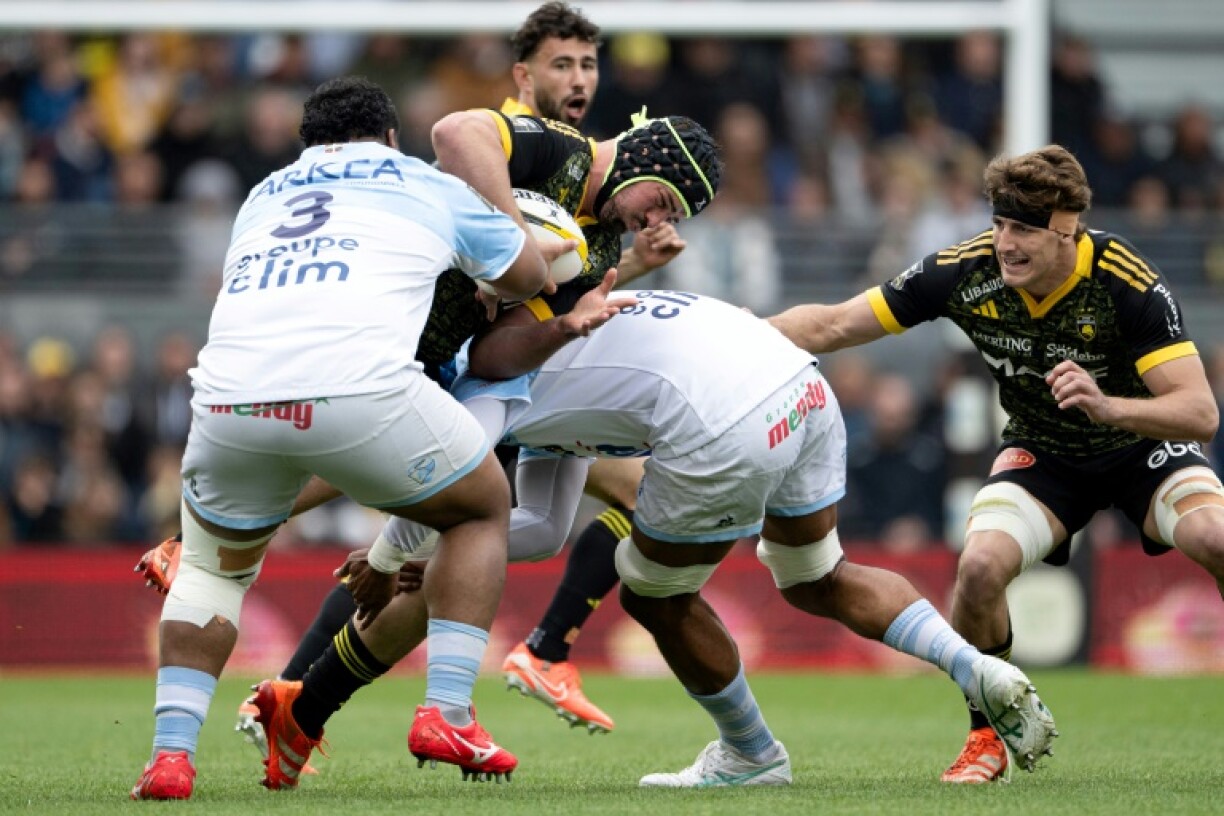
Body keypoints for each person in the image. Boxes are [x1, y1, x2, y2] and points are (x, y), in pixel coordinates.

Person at [251, 290, 1058, 788]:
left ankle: (751, 755)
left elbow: (444, 484)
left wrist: (391, 556)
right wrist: (425, 555)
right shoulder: (555, 311)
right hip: (797, 384)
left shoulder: (474, 380)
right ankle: (979, 667)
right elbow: (538, 524)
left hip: (724, 417)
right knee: (817, 573)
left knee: (654, 593)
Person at [136, 1, 673, 739]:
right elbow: (479, 189)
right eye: (561, 64)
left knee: (471, 532)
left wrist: (627, 265)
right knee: (447, 524)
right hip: (451, 351)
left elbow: (562, 276)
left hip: (482, 361)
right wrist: (525, 248)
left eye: (587, 64)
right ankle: (497, 664)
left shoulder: (586, 183)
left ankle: (299, 689)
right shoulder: (518, 141)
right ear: (523, 75)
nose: (578, 79)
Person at [128, 75, 558, 801]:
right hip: (360, 391)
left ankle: (170, 757)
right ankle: (448, 712)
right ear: (390, 137)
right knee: (481, 506)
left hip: (229, 402)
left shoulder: (261, 195)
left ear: (308, 143)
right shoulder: (424, 181)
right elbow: (528, 274)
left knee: (211, 573)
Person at [768, 144, 1224, 783]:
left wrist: (1107, 406)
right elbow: (835, 324)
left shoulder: (1124, 280)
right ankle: (985, 736)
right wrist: (737, 331)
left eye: (1024, 230)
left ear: (1066, 229)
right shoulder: (966, 270)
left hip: (1141, 446)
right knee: (978, 569)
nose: (1006, 243)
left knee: (1215, 537)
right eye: (1000, 223)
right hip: (1045, 452)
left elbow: (1200, 413)